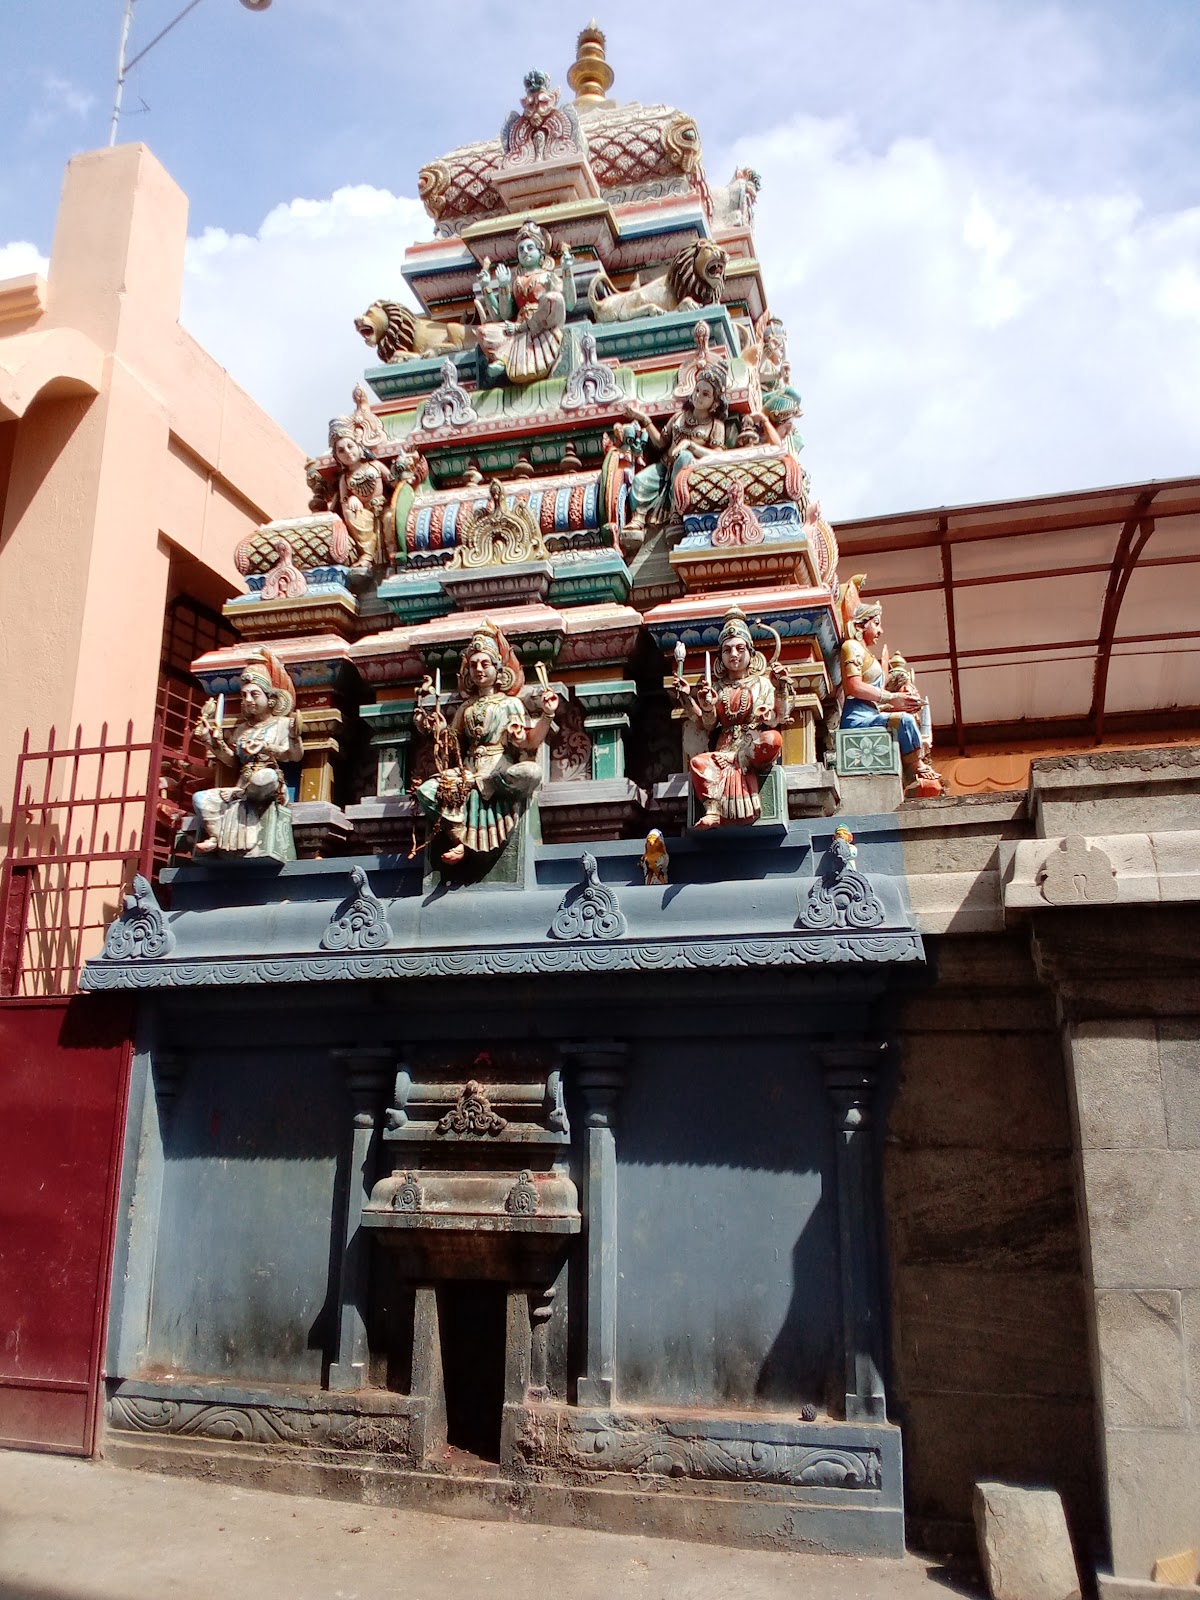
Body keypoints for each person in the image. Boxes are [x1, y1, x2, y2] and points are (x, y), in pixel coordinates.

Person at [413, 622, 558, 865]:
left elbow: (531, 742)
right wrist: (437, 730)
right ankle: (458, 837)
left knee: (531, 772)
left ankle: (482, 785)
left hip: (498, 769)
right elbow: (452, 745)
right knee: (426, 790)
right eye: (473, 665)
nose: (479, 669)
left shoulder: (511, 704)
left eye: (485, 664)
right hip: (467, 769)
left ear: (499, 670)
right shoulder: (465, 708)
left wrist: (548, 714)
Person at [675, 608, 793, 829]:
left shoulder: (762, 683)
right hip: (724, 748)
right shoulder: (717, 688)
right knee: (698, 763)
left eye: (740, 648)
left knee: (773, 739)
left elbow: (778, 717)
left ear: (751, 652)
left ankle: (739, 764)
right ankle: (713, 810)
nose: (734, 655)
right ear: (721, 657)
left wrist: (782, 688)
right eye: (728, 650)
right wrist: (698, 702)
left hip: (752, 746)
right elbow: (708, 724)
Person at [192, 649, 303, 861]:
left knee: (263, 778)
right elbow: (232, 760)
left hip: (266, 780)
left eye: (255, 694)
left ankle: (239, 796)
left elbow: (295, 756)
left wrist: (269, 747)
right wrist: (212, 742)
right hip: (242, 783)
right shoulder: (242, 729)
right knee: (201, 798)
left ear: (270, 699)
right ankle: (216, 836)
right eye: (244, 695)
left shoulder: (282, 724)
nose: (248, 699)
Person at [840, 601, 941, 795]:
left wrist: (899, 702)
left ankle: (913, 766)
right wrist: (891, 697)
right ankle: (916, 767)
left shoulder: (865, 653)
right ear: (861, 624)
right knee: (904, 721)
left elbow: (877, 701)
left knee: (905, 718)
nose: (880, 630)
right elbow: (853, 687)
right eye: (876, 623)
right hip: (857, 719)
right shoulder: (851, 647)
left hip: (869, 713)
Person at [622, 363, 734, 537]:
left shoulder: (715, 426)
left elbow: (719, 455)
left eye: (705, 394)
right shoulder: (679, 417)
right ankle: (639, 518)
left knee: (685, 457)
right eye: (697, 390)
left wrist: (691, 445)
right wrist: (644, 419)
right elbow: (660, 443)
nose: (698, 396)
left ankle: (677, 512)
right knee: (639, 480)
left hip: (688, 474)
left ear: (715, 402)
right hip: (664, 468)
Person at [473, 219, 575, 385]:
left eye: (530, 248)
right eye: (521, 250)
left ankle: (504, 356)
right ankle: (503, 359)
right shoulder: (516, 281)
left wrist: (567, 270)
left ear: (541, 253)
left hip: (542, 326)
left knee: (554, 298)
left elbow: (569, 303)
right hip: (517, 331)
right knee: (483, 332)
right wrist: (495, 286)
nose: (525, 252)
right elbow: (504, 315)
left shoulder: (548, 276)